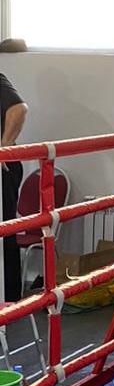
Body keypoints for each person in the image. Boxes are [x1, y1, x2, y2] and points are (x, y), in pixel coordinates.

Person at [1, 73, 28, 302]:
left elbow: (19, 109)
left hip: (4, 169)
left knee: (5, 231)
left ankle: (10, 302)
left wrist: (4, 149)